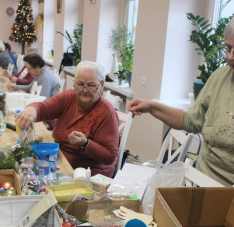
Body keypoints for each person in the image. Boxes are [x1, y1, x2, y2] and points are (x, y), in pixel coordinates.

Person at [127, 17, 234, 187]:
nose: (230, 57)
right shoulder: (220, 77)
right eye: (228, 48)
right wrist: (152, 106)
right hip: (201, 185)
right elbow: (190, 121)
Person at [16, 61, 119, 177]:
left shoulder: (107, 112)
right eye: (80, 84)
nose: (85, 90)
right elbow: (43, 108)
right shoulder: (68, 97)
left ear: (101, 86)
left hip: (88, 175)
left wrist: (85, 143)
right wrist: (32, 109)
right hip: (60, 162)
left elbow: (110, 156)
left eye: (91, 85)